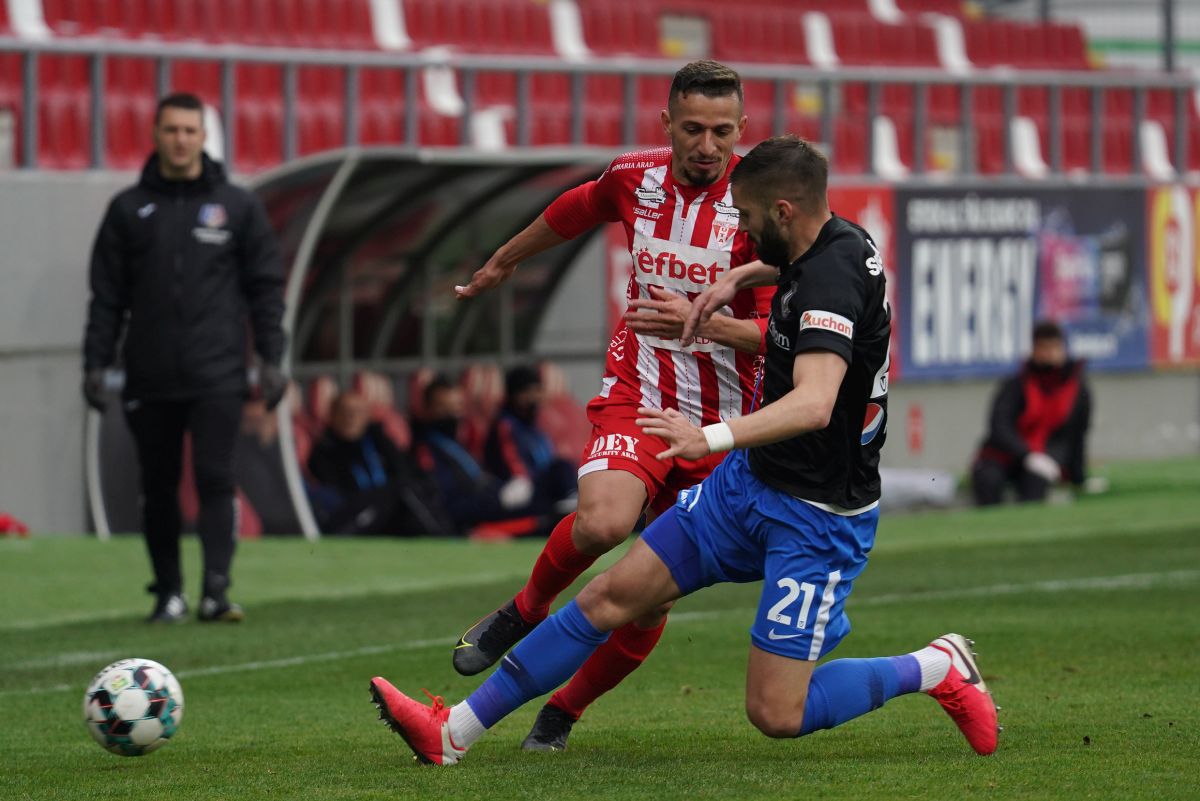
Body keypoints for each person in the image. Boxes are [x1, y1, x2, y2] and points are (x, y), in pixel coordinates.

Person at [368, 135, 1000, 765]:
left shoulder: (831, 284)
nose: (741, 228)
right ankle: (452, 733)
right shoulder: (838, 239)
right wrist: (743, 276)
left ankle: (933, 666)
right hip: (747, 486)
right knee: (608, 597)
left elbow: (815, 403)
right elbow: (796, 265)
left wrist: (710, 438)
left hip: (818, 517)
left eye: (748, 219)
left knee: (776, 713)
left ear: (782, 211)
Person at [447, 59, 773, 751]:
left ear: (741, 130)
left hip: (718, 427)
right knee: (602, 523)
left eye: (721, 131)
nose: (706, 145)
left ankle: (562, 710)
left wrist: (700, 319)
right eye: (692, 128)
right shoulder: (635, 177)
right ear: (667, 125)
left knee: (646, 595)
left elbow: (778, 333)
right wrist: (508, 257)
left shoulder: (761, 205)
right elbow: (578, 206)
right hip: (639, 394)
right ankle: (524, 609)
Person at [82, 92, 287, 623]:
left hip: (217, 371)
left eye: (190, 131)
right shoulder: (128, 210)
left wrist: (272, 356)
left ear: (203, 137)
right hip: (149, 374)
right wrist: (94, 363)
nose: (180, 140)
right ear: (155, 134)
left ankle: (216, 591)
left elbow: (265, 289)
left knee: (216, 476)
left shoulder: (238, 207)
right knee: (158, 484)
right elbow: (107, 297)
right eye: (171, 130)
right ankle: (168, 592)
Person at [971, 320, 1092, 506]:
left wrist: (1078, 478)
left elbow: (1078, 435)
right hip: (1003, 456)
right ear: (1034, 350)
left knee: (1036, 481)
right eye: (1044, 348)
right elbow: (999, 426)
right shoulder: (1016, 385)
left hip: (1046, 457)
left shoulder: (1077, 390)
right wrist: (1026, 455)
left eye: (1054, 347)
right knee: (988, 480)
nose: (1049, 354)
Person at [412, 377, 547, 536]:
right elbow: (446, 501)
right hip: (472, 520)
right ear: (429, 409)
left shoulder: (458, 445)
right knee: (547, 518)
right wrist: (498, 499)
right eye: (444, 408)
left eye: (457, 407)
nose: (453, 414)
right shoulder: (426, 450)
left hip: (490, 505)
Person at [307, 391, 451, 537]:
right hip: (354, 514)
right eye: (344, 412)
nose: (350, 418)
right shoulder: (323, 451)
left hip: (388, 511)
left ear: (367, 417)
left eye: (357, 412)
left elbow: (405, 469)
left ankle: (445, 535)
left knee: (417, 489)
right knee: (401, 489)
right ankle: (444, 538)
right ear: (332, 416)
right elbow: (337, 494)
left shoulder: (378, 441)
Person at [482, 365, 578, 518]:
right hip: (520, 488)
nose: (534, 397)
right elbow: (510, 460)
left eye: (537, 391)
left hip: (539, 485)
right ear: (515, 394)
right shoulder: (506, 425)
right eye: (528, 392)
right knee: (561, 467)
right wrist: (523, 480)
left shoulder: (535, 429)